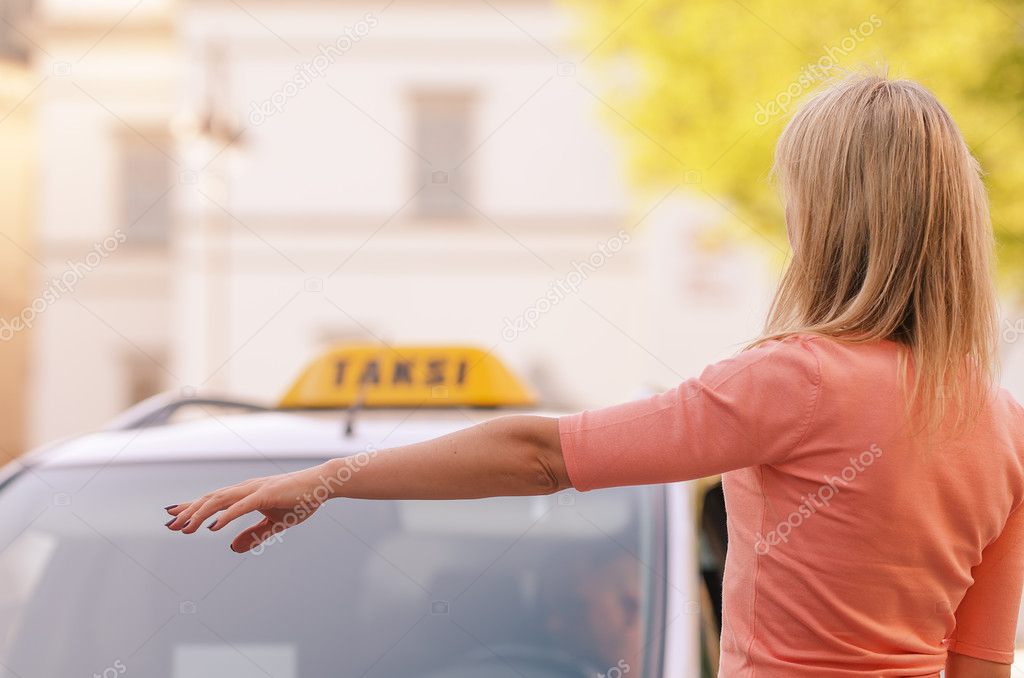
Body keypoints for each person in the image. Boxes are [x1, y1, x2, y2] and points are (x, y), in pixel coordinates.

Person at [165, 72, 1024, 677]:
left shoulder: (794, 383)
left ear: (833, 218)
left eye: (797, 196)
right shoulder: (1002, 424)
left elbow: (542, 453)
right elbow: (978, 664)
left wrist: (329, 478)